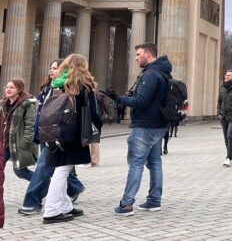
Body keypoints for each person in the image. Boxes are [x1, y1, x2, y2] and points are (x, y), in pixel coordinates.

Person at [106, 43, 172, 216]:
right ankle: (154, 200)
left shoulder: (150, 75)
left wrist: (117, 98)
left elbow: (141, 102)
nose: (136, 58)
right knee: (155, 163)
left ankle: (126, 204)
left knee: (136, 164)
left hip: (144, 125)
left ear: (148, 54)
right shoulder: (164, 72)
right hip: (159, 125)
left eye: (138, 54)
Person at [42, 53, 103, 224]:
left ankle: (65, 206)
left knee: (62, 169)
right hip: (73, 133)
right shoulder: (82, 85)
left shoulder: (56, 84)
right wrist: (97, 128)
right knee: (62, 171)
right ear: (83, 66)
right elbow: (92, 113)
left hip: (55, 131)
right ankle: (52, 210)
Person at [18, 60, 85, 215]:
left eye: (55, 68)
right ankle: (75, 188)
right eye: (51, 68)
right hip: (44, 132)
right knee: (57, 166)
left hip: (55, 134)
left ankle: (32, 202)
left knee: (43, 167)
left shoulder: (65, 88)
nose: (51, 71)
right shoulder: (48, 88)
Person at [2, 79, 37, 182]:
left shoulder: (27, 104)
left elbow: (30, 125)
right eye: (7, 87)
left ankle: (43, 184)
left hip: (18, 143)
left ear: (19, 90)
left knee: (20, 171)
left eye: (12, 87)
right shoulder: (3, 104)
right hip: (4, 143)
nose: (8, 89)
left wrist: (25, 141)